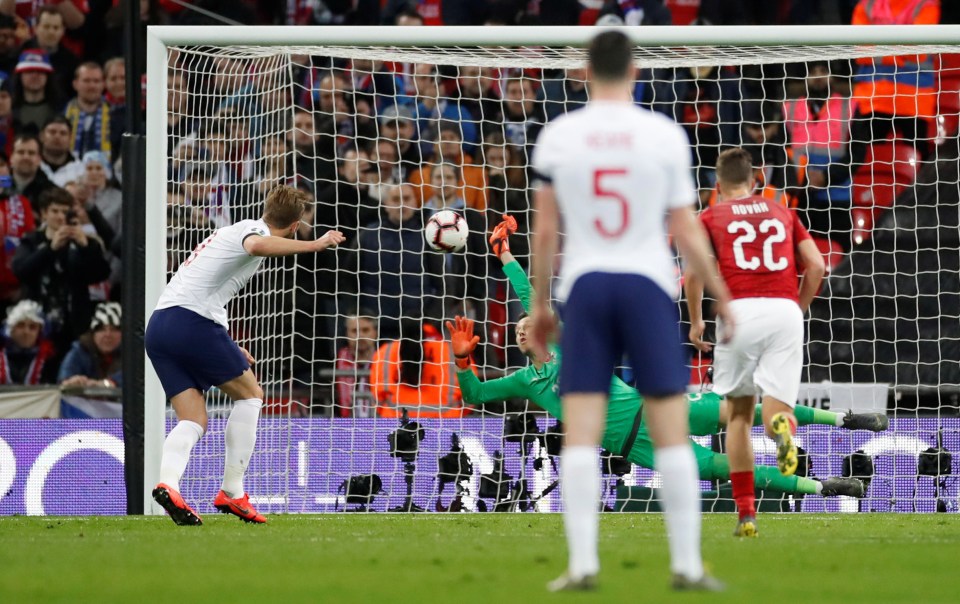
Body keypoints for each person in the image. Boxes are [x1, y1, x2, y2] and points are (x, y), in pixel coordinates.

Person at [448, 218, 876, 499]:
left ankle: (845, 419)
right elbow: (477, 394)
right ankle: (826, 486)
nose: (523, 327)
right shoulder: (524, 381)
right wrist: (464, 362)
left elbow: (529, 294)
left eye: (528, 323)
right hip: (639, 447)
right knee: (731, 468)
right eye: (518, 330)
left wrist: (503, 253)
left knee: (747, 408)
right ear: (520, 344)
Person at [528, 31, 733, 592]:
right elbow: (686, 229)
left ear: (585, 70)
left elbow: (547, 231)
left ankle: (582, 566)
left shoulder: (559, 136)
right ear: (636, 70)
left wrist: (542, 304)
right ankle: (688, 567)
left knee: (582, 434)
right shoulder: (663, 135)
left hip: (587, 285)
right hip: (646, 285)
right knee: (669, 429)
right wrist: (721, 294)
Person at [146, 185, 345, 526]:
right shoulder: (252, 232)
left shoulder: (229, 230)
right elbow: (257, 245)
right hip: (192, 322)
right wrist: (316, 244)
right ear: (295, 225)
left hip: (161, 326)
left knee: (193, 419)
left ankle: (169, 484)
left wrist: (224, 342)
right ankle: (232, 492)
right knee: (252, 395)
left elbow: (205, 289)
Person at [686, 148, 826, 538]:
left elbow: (695, 273)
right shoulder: (783, 212)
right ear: (756, 181)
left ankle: (747, 514)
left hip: (738, 312)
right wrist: (796, 308)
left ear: (717, 184)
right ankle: (784, 427)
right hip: (784, 313)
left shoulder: (710, 216)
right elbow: (816, 266)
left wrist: (697, 321)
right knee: (774, 414)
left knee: (739, 416)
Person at [12, 186, 110, 352]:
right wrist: (50, 248)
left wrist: (85, 247)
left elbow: (102, 273)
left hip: (75, 324)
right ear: (44, 213)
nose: (60, 217)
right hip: (39, 323)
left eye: (64, 212)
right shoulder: (32, 240)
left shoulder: (85, 241)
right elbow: (21, 271)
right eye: (54, 211)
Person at [58, 301, 121, 388]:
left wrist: (109, 383)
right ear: (93, 334)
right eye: (101, 329)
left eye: (114, 329)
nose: (108, 335)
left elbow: (138, 376)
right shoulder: (80, 351)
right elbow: (64, 379)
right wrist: (73, 381)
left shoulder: (133, 354)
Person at [0, 298, 57, 384]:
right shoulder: (2, 358)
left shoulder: (50, 361)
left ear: (39, 333)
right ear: (10, 330)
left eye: (32, 327)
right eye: (20, 325)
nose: (26, 332)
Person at [63, 62, 111, 158]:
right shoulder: (62, 115)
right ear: (75, 84)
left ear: (103, 84)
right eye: (86, 81)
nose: (92, 86)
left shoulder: (115, 115)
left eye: (96, 81)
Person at [334, 313, 379, 417]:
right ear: (347, 334)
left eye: (365, 330)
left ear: (375, 333)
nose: (360, 335)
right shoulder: (335, 362)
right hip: (344, 426)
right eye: (355, 331)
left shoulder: (387, 361)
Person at [39, 115, 84, 187]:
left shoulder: (81, 170)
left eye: (63, 133)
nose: (57, 137)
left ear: (70, 138)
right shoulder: (32, 165)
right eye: (52, 132)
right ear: (41, 136)